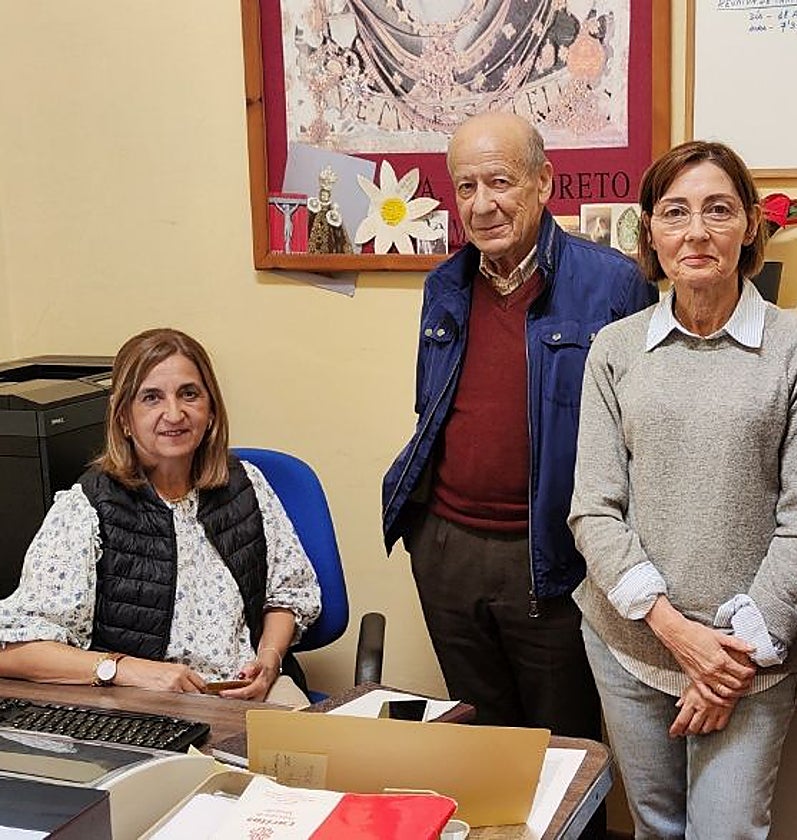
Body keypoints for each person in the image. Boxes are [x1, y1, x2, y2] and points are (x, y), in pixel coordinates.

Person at [379, 111, 656, 831]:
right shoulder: (445, 285)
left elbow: (641, 437)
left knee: (565, 758)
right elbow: (432, 407)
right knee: (486, 760)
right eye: (465, 186)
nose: (482, 203)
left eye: (499, 181)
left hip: (555, 561)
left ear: (542, 184)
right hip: (448, 553)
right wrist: (422, 535)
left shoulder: (614, 285)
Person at [569, 140, 797, 839]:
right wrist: (678, 635)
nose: (696, 231)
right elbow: (593, 508)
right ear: (649, 233)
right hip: (630, 642)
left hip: (750, 658)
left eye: (718, 210)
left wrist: (727, 660)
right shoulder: (615, 350)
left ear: (750, 224)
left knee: (726, 831)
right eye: (675, 212)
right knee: (656, 826)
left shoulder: (796, 352)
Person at [0, 328, 321, 707]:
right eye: (151, 398)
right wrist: (125, 670)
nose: (174, 413)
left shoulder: (246, 484)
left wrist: (269, 660)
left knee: (318, 760)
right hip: (142, 703)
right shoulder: (85, 508)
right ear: (123, 418)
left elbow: (287, 594)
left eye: (189, 394)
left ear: (211, 408)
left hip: (252, 692)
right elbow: (14, 649)